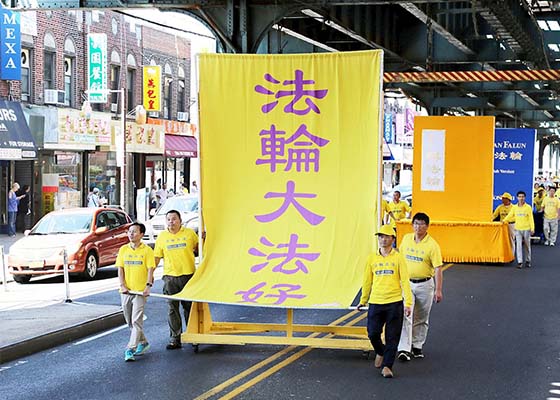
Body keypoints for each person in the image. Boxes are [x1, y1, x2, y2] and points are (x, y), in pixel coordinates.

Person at [357, 225, 412, 379]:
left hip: (394, 302)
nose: (383, 239)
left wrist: (408, 303)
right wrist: (363, 300)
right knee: (373, 333)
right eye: (380, 236)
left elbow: (405, 281)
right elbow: (367, 281)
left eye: (386, 236)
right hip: (376, 301)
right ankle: (380, 351)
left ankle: (387, 366)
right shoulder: (372, 258)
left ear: (393, 239)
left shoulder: (398, 257)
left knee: (392, 337)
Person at [397, 212, 443, 362]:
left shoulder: (432, 245)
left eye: (422, 224)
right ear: (412, 225)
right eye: (416, 223)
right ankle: (404, 348)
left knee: (422, 316)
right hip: (407, 284)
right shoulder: (406, 239)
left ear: (427, 226)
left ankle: (417, 345)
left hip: (425, 284)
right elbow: (399, 259)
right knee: (406, 315)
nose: (418, 227)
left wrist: (438, 290)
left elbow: (438, 268)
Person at [154, 209, 199, 349]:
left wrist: (204, 237)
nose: (171, 222)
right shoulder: (162, 237)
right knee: (172, 308)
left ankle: (192, 335)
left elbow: (200, 248)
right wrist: (148, 276)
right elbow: (156, 257)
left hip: (188, 276)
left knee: (189, 308)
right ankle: (175, 338)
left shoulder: (189, 234)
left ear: (180, 221)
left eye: (174, 219)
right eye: (168, 219)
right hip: (170, 277)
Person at [116, 222, 156, 362]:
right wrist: (122, 285)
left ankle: (130, 349)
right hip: (126, 291)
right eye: (129, 231)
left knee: (136, 321)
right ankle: (143, 342)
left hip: (140, 292)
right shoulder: (123, 250)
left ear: (141, 235)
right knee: (129, 321)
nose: (131, 234)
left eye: (134, 232)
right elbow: (120, 269)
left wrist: (148, 286)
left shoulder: (147, 251)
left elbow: (151, 269)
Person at [503, 191, 535, 269]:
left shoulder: (528, 207)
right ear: (517, 198)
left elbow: (531, 218)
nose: (521, 198)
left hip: (526, 228)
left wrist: (532, 228)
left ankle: (528, 260)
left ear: (525, 197)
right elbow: (510, 215)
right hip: (517, 228)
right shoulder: (514, 207)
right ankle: (520, 262)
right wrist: (504, 221)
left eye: (522, 196)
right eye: (520, 196)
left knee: (527, 245)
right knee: (519, 246)